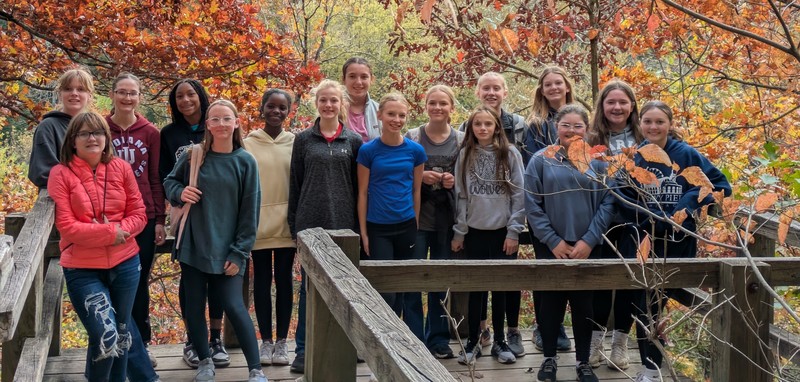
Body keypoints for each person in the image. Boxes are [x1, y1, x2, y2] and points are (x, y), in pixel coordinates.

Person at [618, 101, 731, 382]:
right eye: (648, 121)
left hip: (678, 241)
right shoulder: (634, 156)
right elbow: (620, 196)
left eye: (659, 122)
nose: (653, 127)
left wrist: (685, 205)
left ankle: (658, 365)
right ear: (639, 123)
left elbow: (720, 185)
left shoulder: (686, 153)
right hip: (644, 240)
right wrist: (654, 215)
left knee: (667, 301)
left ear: (669, 124)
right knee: (644, 304)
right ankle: (650, 370)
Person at [164, 100, 267, 382]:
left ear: (236, 123)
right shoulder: (193, 155)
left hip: (228, 250)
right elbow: (169, 183)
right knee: (194, 306)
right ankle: (205, 363)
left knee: (234, 306)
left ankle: (255, 370)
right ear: (207, 125)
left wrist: (239, 253)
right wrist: (180, 192)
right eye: (215, 119)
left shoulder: (245, 161)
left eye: (226, 119)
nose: (221, 124)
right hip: (194, 245)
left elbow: (250, 212)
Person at [48, 112, 150, 381]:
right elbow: (68, 227)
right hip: (83, 268)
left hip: (126, 263)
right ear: (73, 140)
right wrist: (111, 231)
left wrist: (116, 230)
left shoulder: (121, 168)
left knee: (122, 331)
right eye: (84, 133)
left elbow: (139, 214)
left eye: (98, 132)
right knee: (104, 334)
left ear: (107, 138)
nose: (92, 138)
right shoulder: (61, 173)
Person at [526, 104, 614, 382]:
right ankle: (549, 358)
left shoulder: (599, 161)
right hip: (551, 245)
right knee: (550, 303)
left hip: (588, 245)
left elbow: (608, 202)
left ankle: (583, 362)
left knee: (584, 306)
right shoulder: (541, 160)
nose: (572, 131)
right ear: (556, 127)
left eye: (578, 126)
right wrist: (553, 241)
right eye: (566, 125)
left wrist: (589, 240)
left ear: (587, 129)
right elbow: (532, 203)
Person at [288, 79, 362, 373]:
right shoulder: (303, 140)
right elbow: (294, 183)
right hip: (311, 225)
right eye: (323, 100)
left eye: (333, 100)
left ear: (341, 103)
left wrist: (359, 228)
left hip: (345, 226)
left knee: (348, 289)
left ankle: (351, 344)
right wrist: (294, 226)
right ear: (315, 103)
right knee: (310, 289)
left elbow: (359, 188)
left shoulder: (354, 141)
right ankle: (303, 350)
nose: (328, 105)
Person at [159, 79, 229, 369]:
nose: (186, 100)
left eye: (191, 94)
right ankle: (193, 340)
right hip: (185, 215)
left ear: (201, 97)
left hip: (218, 214)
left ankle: (215, 339)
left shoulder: (216, 125)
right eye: (179, 97)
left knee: (218, 278)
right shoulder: (168, 134)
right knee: (190, 279)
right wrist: (176, 195)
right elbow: (165, 177)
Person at [452, 106, 526, 366]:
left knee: (502, 289)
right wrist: (460, 231)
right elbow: (461, 195)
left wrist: (514, 231)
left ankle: (500, 342)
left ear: (497, 127)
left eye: (488, 124)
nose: (483, 128)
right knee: (476, 290)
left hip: (503, 233)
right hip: (475, 232)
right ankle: (473, 341)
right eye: (477, 124)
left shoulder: (510, 153)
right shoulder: (465, 154)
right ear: (471, 128)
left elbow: (519, 195)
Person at [106, 73, 166, 367]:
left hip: (143, 217)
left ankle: (140, 345)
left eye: (133, 93)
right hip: (110, 217)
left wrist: (159, 219)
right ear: (112, 94)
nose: (127, 98)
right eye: (122, 92)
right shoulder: (101, 128)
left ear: (140, 97)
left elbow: (154, 176)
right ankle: (112, 341)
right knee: (110, 281)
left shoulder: (150, 133)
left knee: (139, 281)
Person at [586, 80, 645, 370]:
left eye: (623, 102)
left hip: (635, 220)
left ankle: (620, 344)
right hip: (600, 220)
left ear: (632, 105)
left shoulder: (644, 136)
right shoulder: (591, 137)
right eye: (611, 102)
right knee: (599, 280)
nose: (617, 107)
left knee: (627, 282)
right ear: (602, 106)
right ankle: (595, 343)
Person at [357, 92, 426, 332]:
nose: (396, 119)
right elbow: (363, 193)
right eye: (391, 114)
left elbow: (417, 189)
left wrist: (415, 223)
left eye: (401, 115)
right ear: (380, 115)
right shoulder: (368, 151)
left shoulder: (415, 151)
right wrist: (364, 233)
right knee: (385, 290)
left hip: (406, 225)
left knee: (409, 286)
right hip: (378, 228)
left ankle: (417, 342)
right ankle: (385, 340)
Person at [404, 85, 464, 359]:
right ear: (425, 106)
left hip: (446, 221)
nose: (438, 108)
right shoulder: (413, 136)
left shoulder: (462, 140)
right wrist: (422, 176)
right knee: (413, 279)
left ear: (452, 108)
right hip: (416, 220)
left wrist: (452, 181)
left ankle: (438, 338)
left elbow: (466, 181)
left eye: (443, 104)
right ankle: (413, 337)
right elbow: (400, 173)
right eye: (433, 103)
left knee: (440, 281)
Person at [523, 65, 576, 353]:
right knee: (546, 270)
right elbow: (533, 165)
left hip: (574, 206)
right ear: (542, 90)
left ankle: (562, 327)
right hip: (544, 207)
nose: (554, 88)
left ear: (566, 86)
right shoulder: (535, 124)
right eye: (548, 84)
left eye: (559, 83)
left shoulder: (579, 118)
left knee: (572, 270)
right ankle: (545, 328)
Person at [243, 89, 296, 367]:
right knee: (262, 282)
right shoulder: (248, 143)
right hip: (259, 224)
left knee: (285, 281)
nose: (276, 112)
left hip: (287, 224)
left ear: (289, 111)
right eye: (271, 106)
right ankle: (265, 341)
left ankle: (282, 343)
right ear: (262, 109)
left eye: (282, 108)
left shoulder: (295, 143)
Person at [29, 68, 94, 189]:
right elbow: (42, 173)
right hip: (58, 201)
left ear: (89, 95)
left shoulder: (97, 128)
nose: (74, 93)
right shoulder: (48, 127)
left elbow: (111, 167)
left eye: (81, 89)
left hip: (97, 201)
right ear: (60, 94)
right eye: (68, 89)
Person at [342, 57, 381, 142]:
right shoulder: (332, 109)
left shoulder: (380, 111)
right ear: (343, 79)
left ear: (372, 79)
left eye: (364, 77)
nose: (358, 82)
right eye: (352, 76)